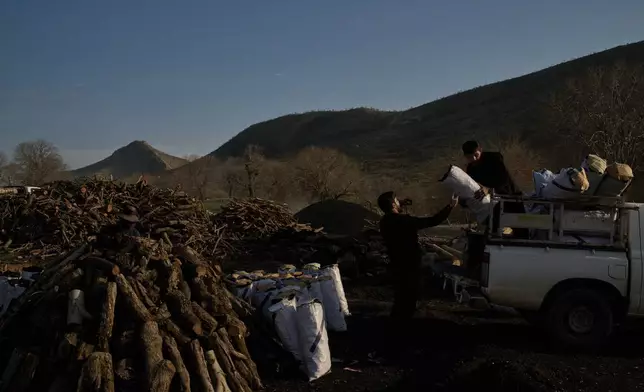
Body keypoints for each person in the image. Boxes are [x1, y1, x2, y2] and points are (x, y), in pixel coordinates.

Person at [377, 191, 458, 344]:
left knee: (401, 297)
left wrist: (400, 204)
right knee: (408, 298)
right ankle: (400, 334)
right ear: (393, 204)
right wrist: (450, 206)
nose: (399, 201)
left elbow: (395, 212)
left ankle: (395, 330)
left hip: (397, 263)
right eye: (396, 200)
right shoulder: (403, 221)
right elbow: (432, 220)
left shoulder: (385, 221)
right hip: (409, 264)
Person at [461, 140, 527, 237]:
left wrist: (488, 189)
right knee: (495, 229)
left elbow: (503, 179)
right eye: (470, 157)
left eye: (476, 155)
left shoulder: (494, 158)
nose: (474, 159)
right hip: (492, 204)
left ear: (480, 150)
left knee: (521, 230)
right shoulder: (471, 169)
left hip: (511, 197)